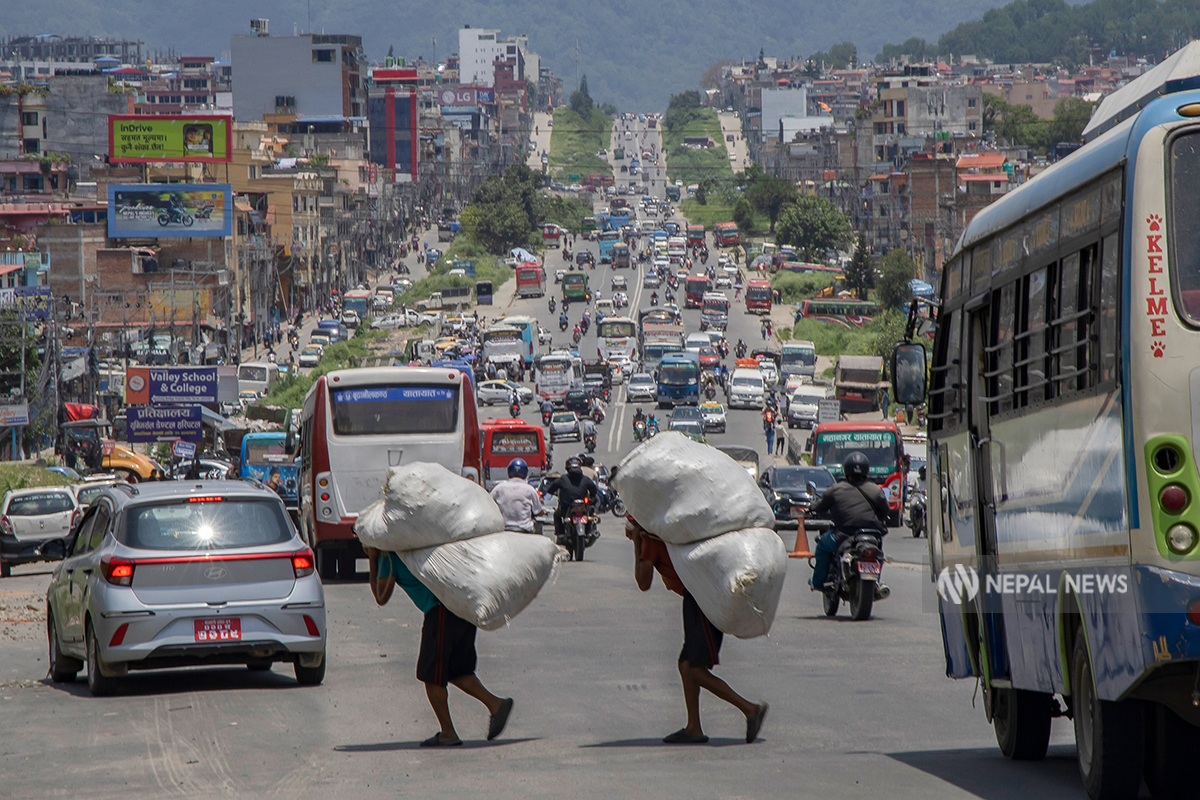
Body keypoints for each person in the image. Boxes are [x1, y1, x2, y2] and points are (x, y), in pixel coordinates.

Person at [626, 516, 769, 744]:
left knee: (693, 668)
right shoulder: (670, 529)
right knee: (686, 665)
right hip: (701, 593)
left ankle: (749, 709)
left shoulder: (651, 539)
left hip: (702, 597)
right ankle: (694, 728)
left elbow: (643, 583)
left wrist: (636, 544)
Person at [366, 545, 514, 746]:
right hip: (463, 607)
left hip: (440, 611)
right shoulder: (421, 545)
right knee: (458, 671)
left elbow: (381, 597)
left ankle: (448, 732)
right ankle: (496, 705)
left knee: (432, 676)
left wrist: (373, 560)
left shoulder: (390, 557)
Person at [807, 452, 889, 589]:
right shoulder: (876, 490)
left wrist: (811, 508)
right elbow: (885, 511)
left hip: (843, 536)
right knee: (878, 554)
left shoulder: (835, 489)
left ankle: (818, 583)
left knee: (822, 546)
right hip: (872, 535)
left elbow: (819, 506)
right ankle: (876, 583)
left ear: (846, 470)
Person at [544, 457, 598, 544]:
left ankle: (560, 533)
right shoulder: (585, 479)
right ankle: (588, 532)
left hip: (567, 507)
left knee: (557, 515)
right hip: (580, 507)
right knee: (590, 514)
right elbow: (594, 491)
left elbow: (551, 488)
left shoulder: (563, 479)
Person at [489, 459, 542, 533]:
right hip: (525, 529)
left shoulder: (499, 488)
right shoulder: (530, 489)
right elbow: (538, 511)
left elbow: (489, 504)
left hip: (504, 529)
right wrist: (544, 512)